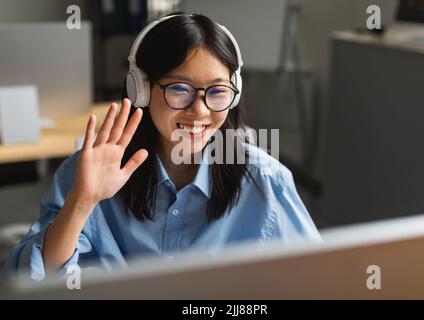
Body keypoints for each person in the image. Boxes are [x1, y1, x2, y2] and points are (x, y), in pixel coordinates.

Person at [3, 13, 320, 281]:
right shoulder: (89, 170)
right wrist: (82, 202)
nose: (200, 111)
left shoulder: (265, 180)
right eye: (179, 89)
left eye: (217, 91)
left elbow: (316, 281)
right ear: (140, 89)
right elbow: (30, 281)